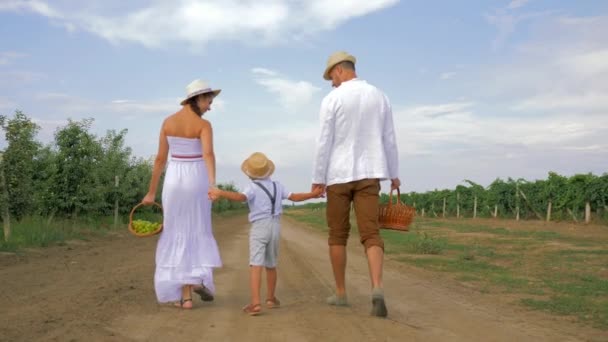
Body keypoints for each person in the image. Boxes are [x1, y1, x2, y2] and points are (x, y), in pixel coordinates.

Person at [311, 51, 400, 318]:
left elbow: (323, 141)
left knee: (337, 234)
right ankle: (377, 288)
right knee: (371, 233)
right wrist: (393, 174)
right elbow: (389, 138)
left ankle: (340, 293)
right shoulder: (379, 96)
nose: (331, 82)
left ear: (339, 70)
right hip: (371, 172)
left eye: (331, 77)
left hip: (338, 175)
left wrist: (318, 178)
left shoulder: (332, 99)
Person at [209, 152, 322, 316]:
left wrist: (220, 193)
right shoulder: (278, 185)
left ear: (249, 173)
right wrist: (313, 194)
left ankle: (255, 303)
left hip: (259, 227)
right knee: (271, 264)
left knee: (256, 264)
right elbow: (295, 197)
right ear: (268, 171)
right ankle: (270, 298)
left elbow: (241, 197)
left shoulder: (252, 187)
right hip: (275, 226)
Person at [142, 79, 222, 309]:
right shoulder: (203, 125)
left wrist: (151, 193)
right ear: (196, 99)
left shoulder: (167, 122)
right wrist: (213, 184)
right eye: (208, 100)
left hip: (174, 178)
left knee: (176, 231)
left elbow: (159, 159)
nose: (210, 106)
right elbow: (208, 155)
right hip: (196, 177)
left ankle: (185, 296)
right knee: (196, 229)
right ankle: (192, 279)